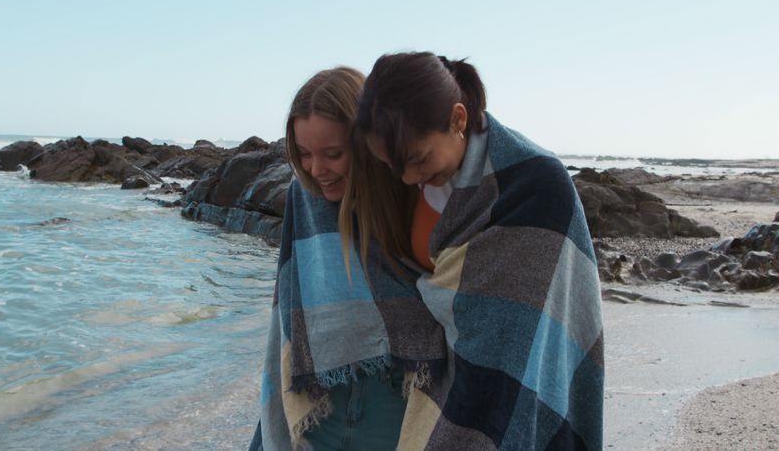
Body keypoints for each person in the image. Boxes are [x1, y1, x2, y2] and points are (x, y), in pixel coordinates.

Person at [349, 52, 605, 450]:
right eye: (392, 165)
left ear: (458, 119)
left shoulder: (535, 185)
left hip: (516, 367)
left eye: (418, 159)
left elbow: (541, 318)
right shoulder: (398, 190)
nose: (409, 177)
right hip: (438, 373)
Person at [251, 67, 446, 451]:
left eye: (333, 154)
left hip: (400, 410)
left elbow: (456, 305)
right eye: (303, 154)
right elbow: (288, 308)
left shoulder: (418, 193)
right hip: (323, 413)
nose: (316, 170)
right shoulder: (303, 197)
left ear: (368, 143)